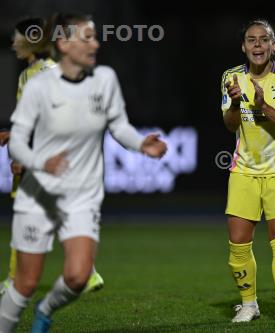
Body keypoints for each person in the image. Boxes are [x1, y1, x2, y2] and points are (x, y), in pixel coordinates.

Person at [0, 13, 167, 333]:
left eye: (95, 36)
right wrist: (38, 161)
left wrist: (141, 143)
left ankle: (46, 310)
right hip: (38, 194)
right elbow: (18, 141)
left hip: (82, 194)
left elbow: (119, 126)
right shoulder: (38, 85)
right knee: (26, 282)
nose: (96, 43)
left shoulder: (105, 80)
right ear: (63, 43)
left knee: (78, 276)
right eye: (87, 37)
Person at [0, 17, 105, 296]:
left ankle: (16, 280)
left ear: (30, 40)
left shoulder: (49, 71)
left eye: (17, 37)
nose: (13, 43)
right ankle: (88, 272)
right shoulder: (28, 74)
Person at [221, 19, 275, 325]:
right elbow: (230, 124)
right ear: (244, 47)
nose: (257, 45)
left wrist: (262, 105)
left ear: (273, 46)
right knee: (238, 242)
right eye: (251, 40)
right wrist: (234, 102)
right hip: (243, 169)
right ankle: (249, 305)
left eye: (263, 40)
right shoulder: (231, 78)